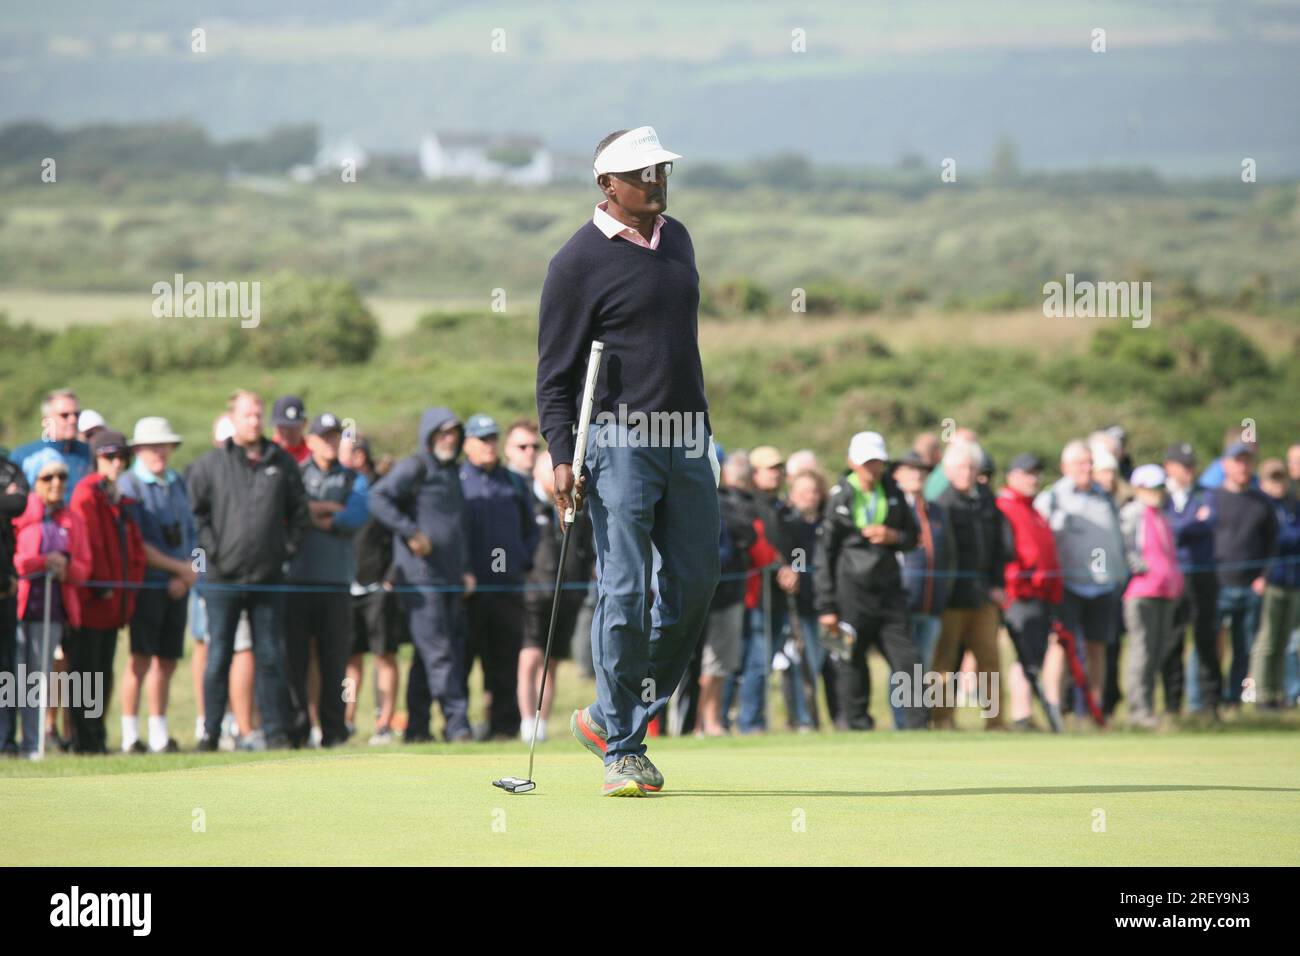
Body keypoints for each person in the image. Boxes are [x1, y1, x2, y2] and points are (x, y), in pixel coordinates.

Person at [538, 125, 720, 796]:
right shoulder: (575, 263)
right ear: (607, 185)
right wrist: (562, 454)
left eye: (663, 170)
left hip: (690, 440)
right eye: (644, 174)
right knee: (624, 594)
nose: (658, 182)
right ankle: (623, 748)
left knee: (697, 585)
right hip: (619, 445)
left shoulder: (679, 240)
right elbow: (555, 376)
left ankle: (611, 715)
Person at [188, 390, 308, 751]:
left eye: (258, 415)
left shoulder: (282, 463)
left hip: (268, 579)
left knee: (270, 655)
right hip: (223, 579)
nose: (253, 421)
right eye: (247, 415)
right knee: (218, 655)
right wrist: (214, 553)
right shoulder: (211, 464)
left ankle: (275, 733)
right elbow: (197, 515)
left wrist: (283, 552)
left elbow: (300, 515)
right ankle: (210, 732)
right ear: (233, 419)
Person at [368, 407, 476, 744]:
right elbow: (378, 497)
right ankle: (458, 725)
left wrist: (466, 569)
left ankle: (416, 727)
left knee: (428, 654)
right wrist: (410, 531)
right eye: (443, 432)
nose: (450, 438)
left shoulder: (452, 472)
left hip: (449, 577)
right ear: (429, 435)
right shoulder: (415, 466)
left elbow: (457, 528)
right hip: (420, 579)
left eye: (454, 433)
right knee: (440, 652)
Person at [814, 431, 926, 730]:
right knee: (849, 663)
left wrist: (894, 536)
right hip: (848, 593)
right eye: (867, 463)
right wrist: (826, 605)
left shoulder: (892, 490)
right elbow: (823, 554)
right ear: (852, 462)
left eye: (878, 462)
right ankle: (856, 726)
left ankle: (917, 726)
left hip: (889, 591)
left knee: (909, 660)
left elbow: (913, 537)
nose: (873, 469)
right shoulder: (839, 496)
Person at [286, 413, 370, 747]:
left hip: (336, 583)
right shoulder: (295, 475)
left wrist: (316, 516)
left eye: (336, 437)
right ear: (311, 441)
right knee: (296, 662)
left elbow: (356, 516)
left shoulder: (353, 478)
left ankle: (334, 731)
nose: (331, 443)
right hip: (296, 581)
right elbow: (292, 512)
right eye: (325, 437)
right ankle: (297, 730)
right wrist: (325, 508)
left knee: (335, 661)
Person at [116, 418, 199, 753]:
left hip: (178, 585)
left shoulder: (177, 482)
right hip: (148, 585)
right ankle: (129, 734)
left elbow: (194, 535)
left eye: (164, 445)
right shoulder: (130, 485)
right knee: (140, 658)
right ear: (138, 450)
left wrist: (190, 573)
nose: (160, 452)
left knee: (167, 660)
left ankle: (160, 733)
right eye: (153, 446)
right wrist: (181, 569)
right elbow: (139, 545)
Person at [458, 413, 538, 741]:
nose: (489, 445)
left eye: (493, 439)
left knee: (504, 662)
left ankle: (504, 727)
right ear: (468, 444)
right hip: (468, 590)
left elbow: (530, 531)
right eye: (482, 439)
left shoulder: (514, 483)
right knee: (462, 661)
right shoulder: (457, 480)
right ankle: (458, 726)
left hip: (506, 587)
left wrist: (518, 561)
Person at [68, 430, 147, 753]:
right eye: (109, 457)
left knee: (102, 672)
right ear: (97, 458)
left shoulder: (114, 497)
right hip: (93, 601)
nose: (116, 463)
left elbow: (132, 549)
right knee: (85, 673)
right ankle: (84, 739)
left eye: (121, 458)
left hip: (113, 602)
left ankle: (96, 735)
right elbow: (88, 544)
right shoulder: (87, 493)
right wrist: (97, 583)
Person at [1036, 440, 1126, 719]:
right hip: (1068, 585)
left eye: (1089, 463)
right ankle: (1054, 709)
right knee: (1060, 646)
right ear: (1065, 467)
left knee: (1098, 646)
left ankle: (1093, 710)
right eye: (1079, 463)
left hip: (1103, 586)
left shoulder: (1105, 496)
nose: (1086, 468)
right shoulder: (1052, 498)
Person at [12, 460, 91, 757]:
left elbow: (85, 567)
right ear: (36, 481)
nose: (56, 483)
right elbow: (14, 560)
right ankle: (8, 739)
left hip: (53, 612)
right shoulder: (20, 515)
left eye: (62, 477)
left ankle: (32, 744)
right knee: (11, 677)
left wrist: (65, 566)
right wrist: (42, 562)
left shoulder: (72, 520)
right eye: (48, 477)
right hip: (18, 607)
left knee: (37, 679)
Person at [517, 450, 594, 742]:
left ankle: (540, 727)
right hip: (532, 592)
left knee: (551, 661)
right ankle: (526, 722)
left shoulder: (576, 507)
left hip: (568, 593)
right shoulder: (526, 501)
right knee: (531, 656)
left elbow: (586, 548)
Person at [931, 440, 1008, 729]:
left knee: (990, 661)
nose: (965, 472)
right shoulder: (940, 504)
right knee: (944, 664)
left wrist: (998, 583)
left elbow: (1000, 547)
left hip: (983, 597)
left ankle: (996, 721)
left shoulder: (987, 502)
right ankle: (942, 720)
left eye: (970, 467)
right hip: (950, 599)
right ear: (948, 471)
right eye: (960, 467)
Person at [996, 453, 1064, 730]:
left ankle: (1025, 715)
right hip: (1020, 594)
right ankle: (1021, 715)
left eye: (1035, 473)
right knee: (1025, 656)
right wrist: (1015, 587)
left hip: (1040, 594)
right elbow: (1006, 553)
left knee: (1034, 654)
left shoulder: (1034, 509)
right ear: (1011, 476)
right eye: (1026, 473)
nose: (1032, 478)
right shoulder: (1006, 506)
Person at [344, 437, 403, 745]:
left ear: (362, 455)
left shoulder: (381, 489)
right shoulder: (339, 488)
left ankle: (384, 724)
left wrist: (391, 576)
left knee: (384, 655)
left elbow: (398, 533)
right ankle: (347, 722)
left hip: (379, 584)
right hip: (347, 585)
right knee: (350, 658)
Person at [696, 451, 757, 736]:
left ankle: (711, 721)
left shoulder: (731, 503)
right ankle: (699, 723)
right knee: (698, 666)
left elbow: (750, 536)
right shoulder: (687, 501)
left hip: (727, 594)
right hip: (697, 596)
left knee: (718, 664)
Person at [1211, 441, 1276, 708]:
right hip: (1216, 585)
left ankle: (1233, 702)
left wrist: (1264, 576)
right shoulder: (1212, 497)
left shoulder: (1262, 502)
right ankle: (1206, 701)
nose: (1242, 466)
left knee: (1244, 648)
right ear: (1225, 465)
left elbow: (1273, 544)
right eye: (1237, 461)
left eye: (1247, 461)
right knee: (1209, 646)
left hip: (1251, 587)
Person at [1119, 465, 1185, 728]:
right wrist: (1138, 566)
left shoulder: (1163, 516)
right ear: (1138, 488)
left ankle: (1148, 708)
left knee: (1158, 652)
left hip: (1165, 593)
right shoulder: (1133, 513)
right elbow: (1124, 546)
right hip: (1141, 592)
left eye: (1159, 488)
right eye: (1151, 488)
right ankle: (1138, 711)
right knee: (1141, 652)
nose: (1156, 493)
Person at [743, 445, 802, 731]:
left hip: (779, 594)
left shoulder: (783, 507)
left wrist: (794, 570)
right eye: (770, 469)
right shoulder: (750, 504)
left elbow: (795, 548)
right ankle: (750, 722)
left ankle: (756, 721)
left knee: (765, 662)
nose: (777, 474)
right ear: (754, 473)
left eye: (780, 469)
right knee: (754, 662)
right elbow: (757, 546)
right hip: (755, 594)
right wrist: (781, 568)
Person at [1160, 442, 1219, 717]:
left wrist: (1179, 527)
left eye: (1191, 465)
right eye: (1183, 466)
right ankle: (1173, 707)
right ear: (1169, 468)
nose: (1190, 470)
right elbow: (1167, 530)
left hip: (1203, 577)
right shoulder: (1162, 498)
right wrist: (1188, 524)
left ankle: (1210, 706)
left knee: (1206, 639)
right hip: (1173, 580)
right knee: (1172, 642)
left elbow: (1209, 522)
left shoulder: (1205, 494)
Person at [893, 450, 952, 728]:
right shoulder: (893, 508)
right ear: (897, 475)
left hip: (931, 604)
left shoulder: (936, 511)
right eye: (910, 469)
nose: (917, 475)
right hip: (901, 602)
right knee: (903, 667)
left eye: (922, 470)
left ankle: (917, 722)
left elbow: (949, 556)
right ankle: (902, 722)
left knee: (924, 665)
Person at [1247, 458, 1298, 710]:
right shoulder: (1261, 507)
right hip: (1269, 581)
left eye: (1281, 478)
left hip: (1292, 581)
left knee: (1284, 640)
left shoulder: (1292, 506)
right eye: (1272, 479)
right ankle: (1259, 694)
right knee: (1266, 640)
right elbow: (1280, 539)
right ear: (1263, 481)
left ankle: (1277, 693)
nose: (1278, 484)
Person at [784, 467, 830, 727]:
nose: (808, 497)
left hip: (824, 606)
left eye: (813, 491)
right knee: (802, 665)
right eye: (801, 492)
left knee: (818, 666)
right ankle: (803, 720)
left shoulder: (827, 524)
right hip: (796, 607)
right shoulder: (788, 523)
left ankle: (812, 719)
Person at [12, 388, 93, 500]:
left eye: (76, 414)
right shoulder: (23, 456)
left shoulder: (89, 453)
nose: (73, 419)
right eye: (65, 415)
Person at [0, 447, 29, 756]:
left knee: (6, 668)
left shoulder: (8, 467)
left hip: (4, 587)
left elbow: (19, 502)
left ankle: (6, 741)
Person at [271, 395, 310, 465]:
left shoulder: (314, 454)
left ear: (305, 423)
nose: (287, 432)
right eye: (282, 427)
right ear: (274, 427)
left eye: (292, 427)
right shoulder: (264, 455)